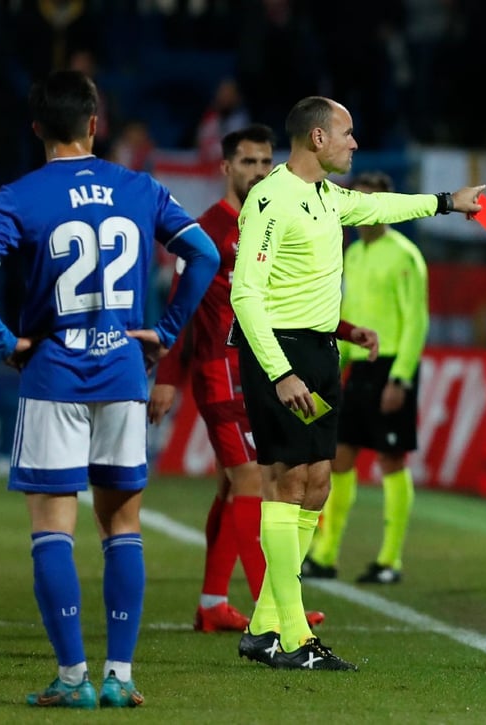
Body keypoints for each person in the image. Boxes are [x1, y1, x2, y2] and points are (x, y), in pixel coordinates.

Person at [0, 70, 220, 707]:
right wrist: (166, 332)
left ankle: (74, 678)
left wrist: (3, 340)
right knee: (122, 525)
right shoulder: (140, 187)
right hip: (123, 373)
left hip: (54, 374)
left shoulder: (21, 195)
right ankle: (120, 677)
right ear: (95, 124)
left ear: (37, 128)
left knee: (53, 528)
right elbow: (205, 255)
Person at [230, 95, 483, 671]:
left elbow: (379, 207)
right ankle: (295, 637)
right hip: (281, 352)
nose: (355, 143)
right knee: (287, 483)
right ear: (318, 138)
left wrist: (448, 202)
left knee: (317, 484)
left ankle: (264, 626)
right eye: (347, 133)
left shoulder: (327, 196)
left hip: (321, 353)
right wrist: (280, 372)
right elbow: (245, 293)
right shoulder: (272, 199)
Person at [148, 124, 321, 634]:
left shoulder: (271, 223)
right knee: (252, 480)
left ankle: (212, 605)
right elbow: (181, 308)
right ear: (226, 168)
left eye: (266, 162)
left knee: (231, 486)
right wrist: (168, 377)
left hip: (261, 370)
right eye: (248, 162)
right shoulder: (206, 231)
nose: (259, 171)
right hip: (219, 371)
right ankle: (278, 610)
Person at [302, 171, 429, 585]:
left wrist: (401, 378)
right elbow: (345, 313)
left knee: (391, 459)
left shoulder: (405, 255)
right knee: (339, 458)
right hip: (356, 367)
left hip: (390, 366)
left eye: (371, 202)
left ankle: (390, 560)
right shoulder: (352, 254)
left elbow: (416, 321)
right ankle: (325, 554)